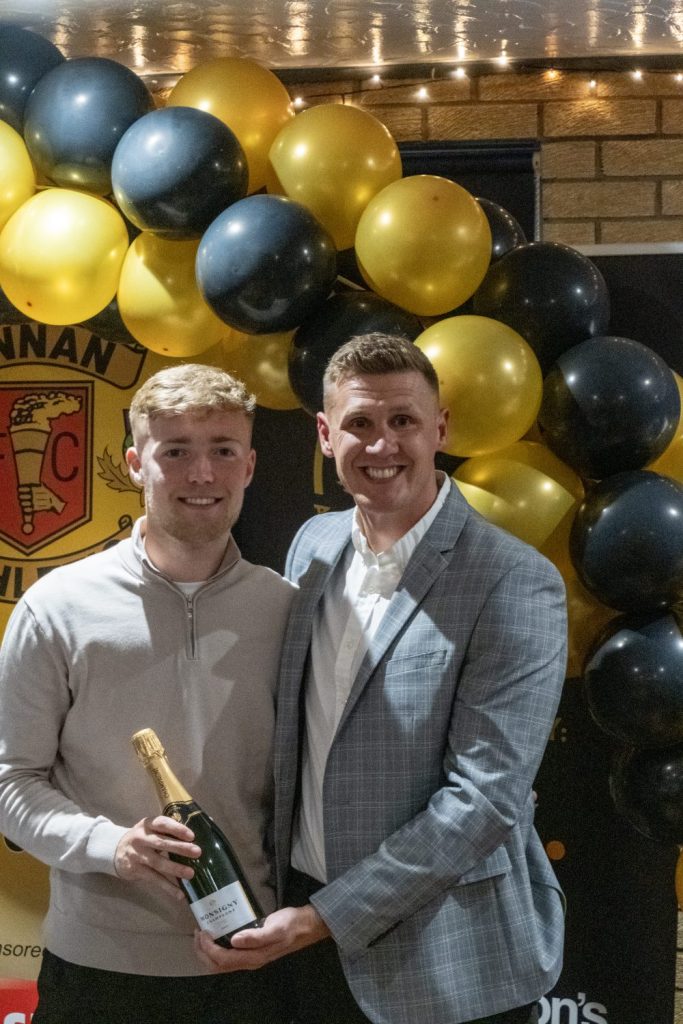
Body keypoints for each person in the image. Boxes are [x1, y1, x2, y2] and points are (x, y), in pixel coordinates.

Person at [197, 334, 568, 1024]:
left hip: (446, 961)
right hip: (303, 941)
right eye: (359, 423)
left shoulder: (513, 580)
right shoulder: (313, 545)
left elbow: (483, 800)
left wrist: (323, 918)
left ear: (440, 428)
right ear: (324, 435)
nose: (381, 444)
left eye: (403, 420)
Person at [0, 363, 295, 1024]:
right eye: (176, 452)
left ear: (249, 466)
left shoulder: (288, 610)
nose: (202, 474)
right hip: (97, 972)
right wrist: (113, 847)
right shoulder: (57, 607)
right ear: (135, 464)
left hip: (252, 965)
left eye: (223, 450)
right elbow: (9, 782)